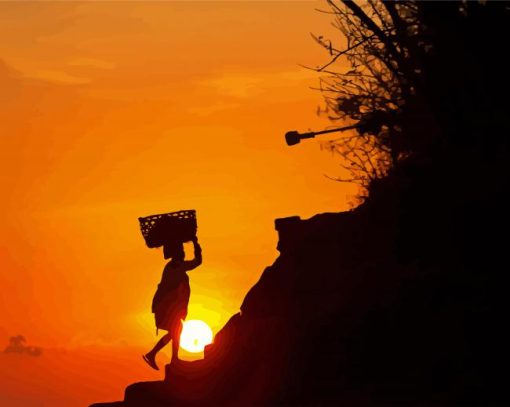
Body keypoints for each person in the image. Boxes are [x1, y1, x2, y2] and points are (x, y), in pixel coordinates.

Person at [143, 236, 202, 370]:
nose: (183, 254)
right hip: (167, 306)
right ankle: (169, 358)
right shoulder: (176, 266)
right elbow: (197, 262)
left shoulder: (173, 266)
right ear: (178, 254)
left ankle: (154, 354)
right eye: (181, 252)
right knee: (176, 330)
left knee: (175, 331)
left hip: (168, 306)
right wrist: (195, 243)